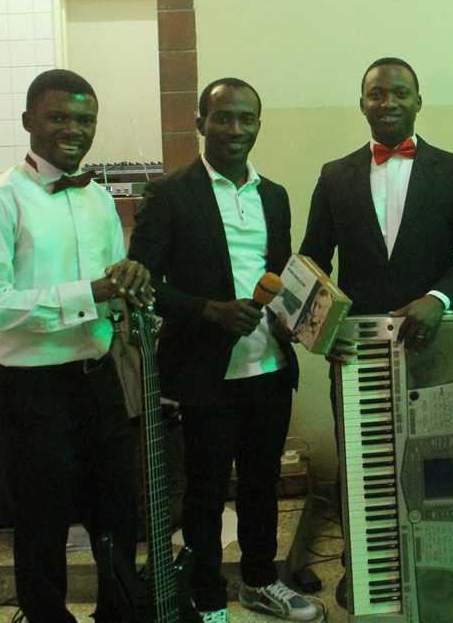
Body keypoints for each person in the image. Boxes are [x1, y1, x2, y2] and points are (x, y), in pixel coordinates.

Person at [299, 56, 453, 610]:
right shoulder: (334, 175)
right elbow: (313, 260)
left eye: (399, 94)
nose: (388, 103)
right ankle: (363, 565)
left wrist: (439, 299)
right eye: (377, 94)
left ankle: (446, 568)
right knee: (362, 458)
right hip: (356, 348)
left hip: (432, 343)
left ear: (418, 101)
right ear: (362, 103)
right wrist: (320, 331)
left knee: (437, 463)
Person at [0, 69, 152, 622]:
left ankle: (118, 612)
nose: (74, 129)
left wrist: (127, 288)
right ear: (28, 122)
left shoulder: (98, 199)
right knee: (43, 522)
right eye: (59, 117)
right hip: (32, 387)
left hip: (99, 377)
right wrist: (87, 293)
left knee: (117, 512)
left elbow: (111, 286)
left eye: (84, 119)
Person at [128, 78, 317, 622]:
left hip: (270, 367)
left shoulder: (274, 195)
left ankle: (260, 580)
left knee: (262, 485)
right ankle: (208, 595)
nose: (235, 129)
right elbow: (145, 284)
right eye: (223, 118)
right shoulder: (169, 194)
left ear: (260, 123)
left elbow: (280, 273)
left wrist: (299, 318)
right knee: (206, 493)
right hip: (204, 372)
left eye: (246, 119)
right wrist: (211, 310)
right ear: (200, 122)